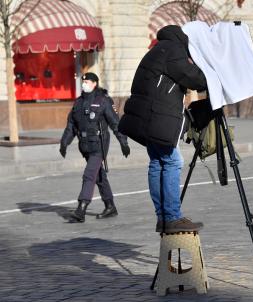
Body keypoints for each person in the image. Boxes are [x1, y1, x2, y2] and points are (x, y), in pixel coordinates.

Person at [118, 25, 207, 233]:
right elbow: (193, 78)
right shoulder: (173, 50)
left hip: (146, 118)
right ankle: (173, 217)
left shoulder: (156, 50)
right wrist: (209, 73)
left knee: (157, 163)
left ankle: (163, 218)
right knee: (173, 161)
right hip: (158, 118)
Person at [60, 72, 130, 223]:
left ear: (95, 84)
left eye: (88, 81)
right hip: (84, 145)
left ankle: (82, 208)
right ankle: (110, 206)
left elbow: (115, 124)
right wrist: (64, 143)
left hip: (99, 144)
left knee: (89, 174)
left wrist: (123, 142)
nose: (84, 83)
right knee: (99, 176)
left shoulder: (104, 101)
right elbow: (71, 125)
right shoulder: (78, 102)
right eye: (83, 81)